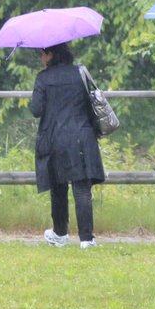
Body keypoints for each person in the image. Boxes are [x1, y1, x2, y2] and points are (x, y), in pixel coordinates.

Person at [29, 42, 105, 249]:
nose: (40, 57)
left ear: (50, 54)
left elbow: (35, 109)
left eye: (41, 53)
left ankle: (60, 233)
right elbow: (92, 101)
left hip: (55, 138)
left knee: (58, 187)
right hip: (82, 134)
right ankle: (87, 239)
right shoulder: (80, 73)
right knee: (82, 190)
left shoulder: (43, 78)